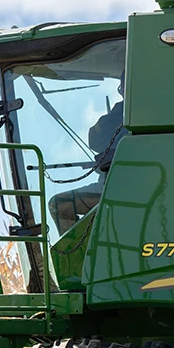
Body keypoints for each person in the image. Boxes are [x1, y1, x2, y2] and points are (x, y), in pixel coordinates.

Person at [49, 76, 127, 235]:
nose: (122, 91)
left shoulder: (124, 110)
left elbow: (95, 140)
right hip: (133, 184)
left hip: (116, 187)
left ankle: (80, 258)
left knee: (58, 206)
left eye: (122, 87)